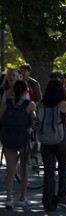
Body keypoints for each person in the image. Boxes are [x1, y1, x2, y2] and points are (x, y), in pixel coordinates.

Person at [0, 79, 36, 209]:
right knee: (23, 170)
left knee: (10, 171)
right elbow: (34, 122)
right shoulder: (30, 104)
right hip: (23, 140)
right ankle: (22, 197)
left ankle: (9, 199)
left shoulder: (6, 102)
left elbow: (1, 119)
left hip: (8, 139)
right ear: (26, 91)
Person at [38, 80, 66, 211]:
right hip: (60, 140)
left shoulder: (41, 104)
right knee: (63, 168)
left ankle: (48, 201)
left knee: (48, 172)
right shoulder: (64, 104)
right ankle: (63, 198)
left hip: (45, 141)